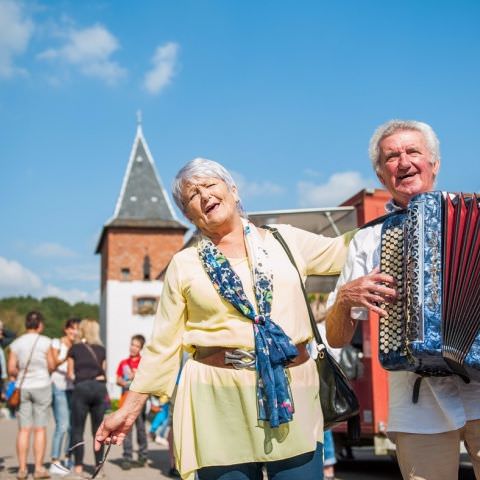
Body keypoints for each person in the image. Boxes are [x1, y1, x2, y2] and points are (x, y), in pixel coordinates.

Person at [95, 157, 353, 480]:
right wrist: (129, 409)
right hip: (217, 403)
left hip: (294, 395)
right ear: (189, 215)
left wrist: (399, 217)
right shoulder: (184, 264)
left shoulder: (285, 241)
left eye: (210, 185)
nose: (204, 196)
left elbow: (350, 250)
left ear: (233, 189)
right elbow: (162, 346)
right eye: (192, 195)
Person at [326, 119, 480, 480]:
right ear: (382, 175)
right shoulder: (367, 241)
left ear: (434, 163)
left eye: (413, 151)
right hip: (417, 402)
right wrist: (346, 299)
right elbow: (336, 338)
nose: (403, 161)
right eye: (391, 157)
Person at [7, 311, 55, 480]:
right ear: (39, 324)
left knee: (24, 429)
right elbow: (51, 365)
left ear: (27, 324)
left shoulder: (16, 343)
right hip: (42, 385)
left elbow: (11, 368)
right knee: (40, 428)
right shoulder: (46, 342)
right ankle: (39, 469)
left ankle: (22, 469)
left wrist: (21, 370)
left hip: (23, 387)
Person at [67, 319, 107, 478]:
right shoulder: (101, 350)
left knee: (78, 430)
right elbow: (103, 371)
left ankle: (78, 466)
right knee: (99, 431)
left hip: (81, 388)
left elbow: (70, 374)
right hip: (98, 389)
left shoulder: (74, 348)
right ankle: (99, 467)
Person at [49, 318, 79, 475]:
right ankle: (54, 460)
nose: (75, 332)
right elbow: (53, 365)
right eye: (72, 329)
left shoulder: (77, 345)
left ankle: (68, 457)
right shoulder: (56, 343)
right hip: (58, 387)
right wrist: (68, 355)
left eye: (77, 329)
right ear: (66, 329)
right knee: (62, 425)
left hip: (73, 388)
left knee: (72, 426)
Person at [116, 334, 148, 470]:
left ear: (141, 348)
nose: (133, 348)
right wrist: (122, 381)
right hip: (126, 397)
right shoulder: (123, 363)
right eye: (132, 344)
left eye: (136, 346)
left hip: (139, 398)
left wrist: (137, 375)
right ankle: (127, 457)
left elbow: (148, 378)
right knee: (126, 428)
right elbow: (117, 378)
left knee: (140, 428)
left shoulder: (144, 363)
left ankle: (142, 455)